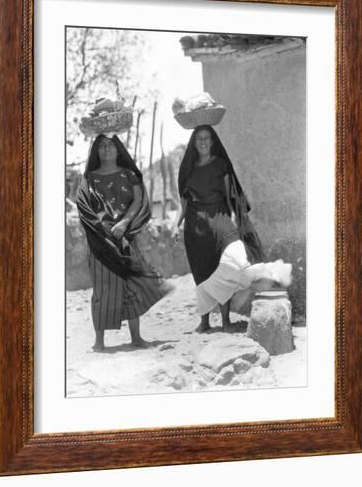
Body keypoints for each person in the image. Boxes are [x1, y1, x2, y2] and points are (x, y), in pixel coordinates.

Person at [172, 125, 292, 332]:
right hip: (196, 225)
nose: (203, 142)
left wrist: (235, 217)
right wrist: (177, 225)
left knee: (232, 262)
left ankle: (227, 319)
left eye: (207, 138)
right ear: (193, 143)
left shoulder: (220, 165)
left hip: (220, 217)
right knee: (201, 271)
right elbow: (184, 201)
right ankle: (205, 321)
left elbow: (230, 195)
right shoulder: (188, 168)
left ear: (212, 142)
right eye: (198, 138)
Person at [76, 135, 172, 351]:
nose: (107, 148)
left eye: (111, 145)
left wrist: (124, 223)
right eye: (102, 145)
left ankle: (136, 338)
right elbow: (83, 207)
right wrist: (103, 230)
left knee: (132, 285)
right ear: (96, 151)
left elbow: (138, 200)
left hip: (125, 237)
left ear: (118, 149)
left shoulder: (129, 174)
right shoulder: (89, 179)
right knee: (102, 288)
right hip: (100, 241)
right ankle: (99, 342)